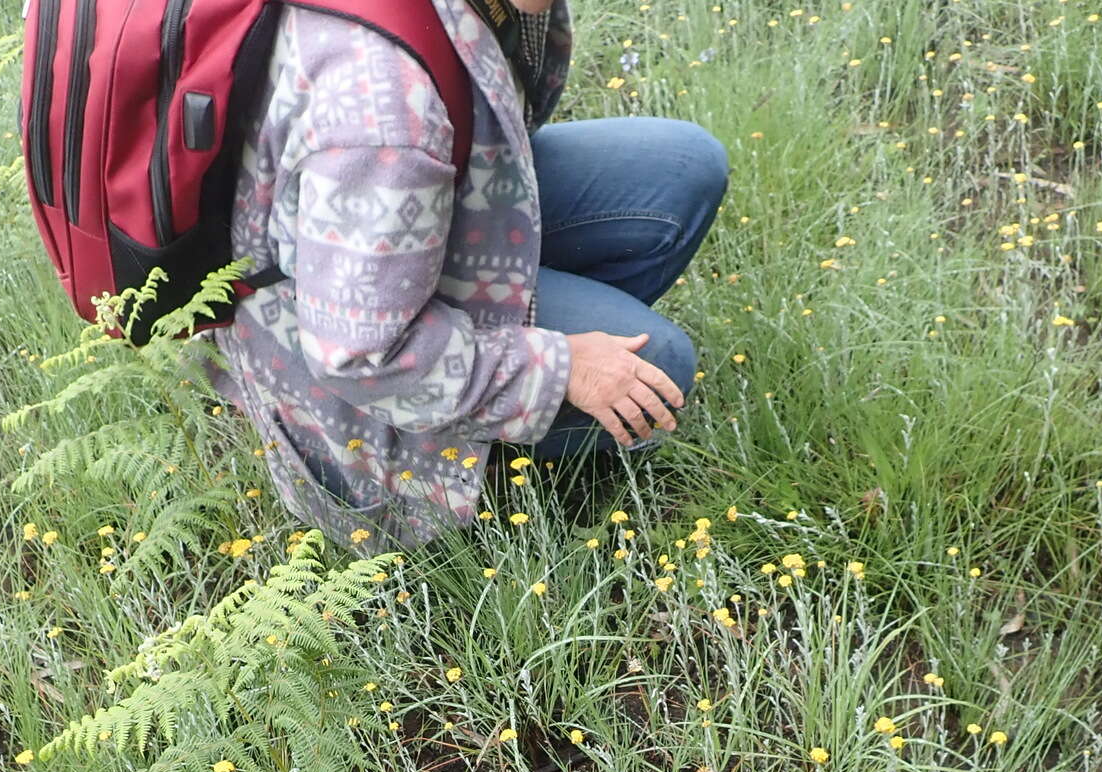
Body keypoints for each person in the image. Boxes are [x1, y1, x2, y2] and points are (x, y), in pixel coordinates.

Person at [195, 0, 727, 551]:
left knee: (684, 168)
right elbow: (357, 358)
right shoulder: (384, 115)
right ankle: (480, 467)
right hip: (335, 351)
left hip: (388, 230)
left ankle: (519, 380)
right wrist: (561, 369)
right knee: (658, 363)